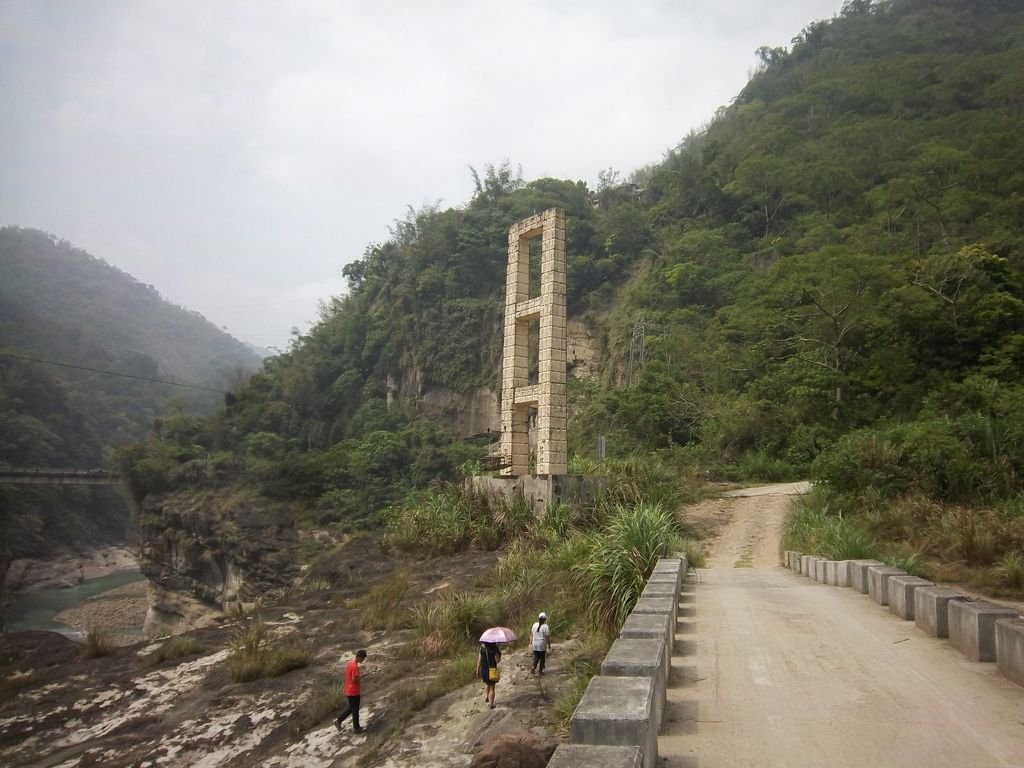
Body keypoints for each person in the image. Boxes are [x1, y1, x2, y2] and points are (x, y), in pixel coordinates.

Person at [335, 649, 367, 734]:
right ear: (359, 657)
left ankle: (338, 721)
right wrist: (362, 676)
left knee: (351, 708)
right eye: (363, 658)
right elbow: (354, 680)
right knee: (355, 710)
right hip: (354, 691)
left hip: (349, 690)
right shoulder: (355, 667)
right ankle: (356, 729)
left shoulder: (350, 663)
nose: (363, 660)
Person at [476, 641, 501, 709]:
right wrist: (499, 653)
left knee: (488, 684)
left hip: (484, 671)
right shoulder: (494, 650)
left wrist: (477, 670)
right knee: (492, 687)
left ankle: (487, 697)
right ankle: (491, 704)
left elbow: (479, 661)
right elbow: (497, 661)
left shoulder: (482, 650)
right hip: (492, 671)